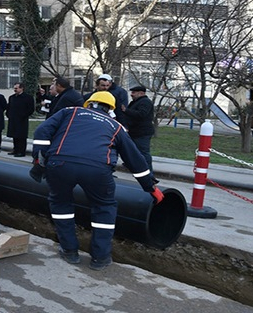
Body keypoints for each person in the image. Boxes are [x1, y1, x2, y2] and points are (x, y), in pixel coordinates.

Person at [31, 91, 164, 270]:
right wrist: (150, 187)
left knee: (61, 203)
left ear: (89, 103)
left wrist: (40, 159)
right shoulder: (116, 126)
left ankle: (70, 251)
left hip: (60, 163)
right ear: (111, 109)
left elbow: (41, 131)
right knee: (104, 208)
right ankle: (100, 259)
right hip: (97, 169)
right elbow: (135, 159)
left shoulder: (70, 112)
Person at [122, 85, 155, 172]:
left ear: (141, 93)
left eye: (133, 92)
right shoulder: (135, 102)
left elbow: (141, 114)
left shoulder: (145, 102)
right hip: (134, 132)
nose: (131, 94)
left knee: (144, 153)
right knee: (132, 150)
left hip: (142, 133)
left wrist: (126, 110)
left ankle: (148, 172)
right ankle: (133, 166)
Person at [6, 82, 35, 157]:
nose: (15, 90)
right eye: (14, 88)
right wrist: (8, 114)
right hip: (13, 119)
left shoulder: (28, 97)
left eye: (16, 88)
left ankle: (21, 151)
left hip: (22, 120)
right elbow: (9, 107)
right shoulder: (12, 97)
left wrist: (24, 115)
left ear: (21, 88)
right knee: (14, 136)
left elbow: (31, 109)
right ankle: (15, 149)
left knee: (21, 136)